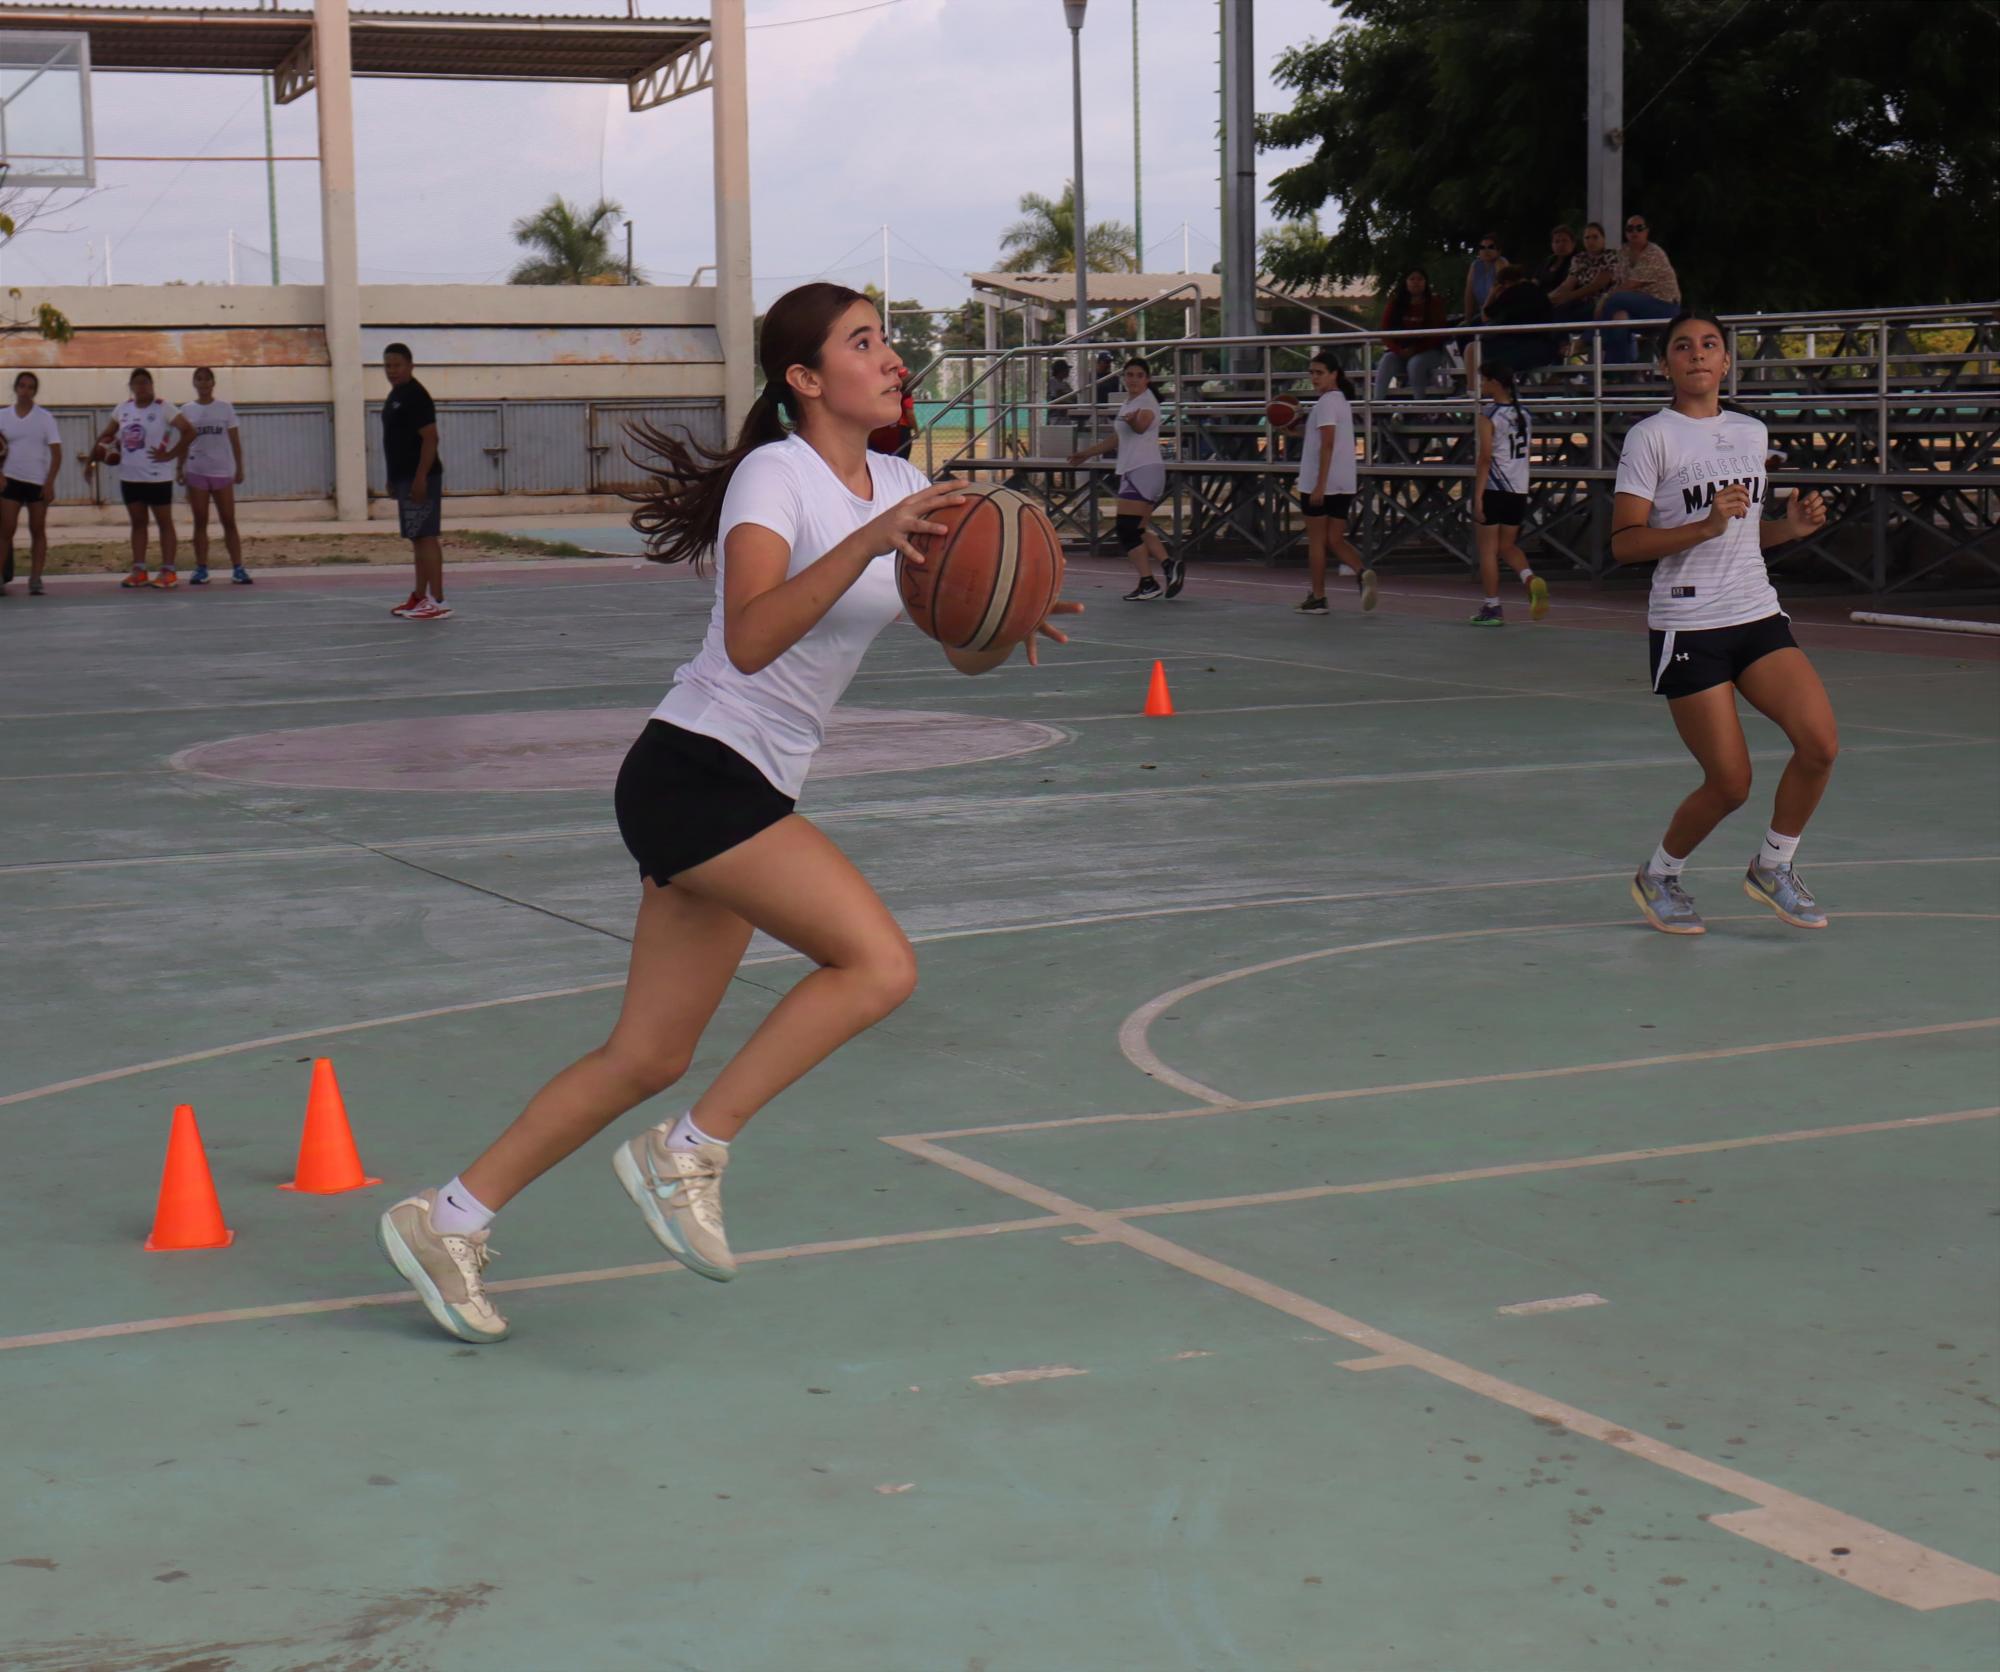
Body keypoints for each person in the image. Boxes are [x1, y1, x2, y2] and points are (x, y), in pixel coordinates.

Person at [374, 282, 1082, 1344]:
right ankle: (689, 1149)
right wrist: (869, 539)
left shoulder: (899, 482)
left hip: (747, 783)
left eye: (886, 341)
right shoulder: (777, 474)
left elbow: (957, 642)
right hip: (694, 768)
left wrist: (1005, 616)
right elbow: (750, 635)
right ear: (804, 380)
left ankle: (448, 1216)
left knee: (646, 1054)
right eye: (863, 342)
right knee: (877, 965)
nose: (891, 359)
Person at [1614, 309, 1835, 936]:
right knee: (1730, 781)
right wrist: (1704, 525)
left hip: (1755, 612)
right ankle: (1659, 874)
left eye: (1710, 344)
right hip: (1689, 625)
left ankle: (1773, 865)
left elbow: (1739, 538)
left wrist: (1788, 529)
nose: (1698, 355)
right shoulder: (1650, 437)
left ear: (1726, 361)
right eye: (1683, 347)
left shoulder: (1750, 432)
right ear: (1666, 365)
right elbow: (1625, 544)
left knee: (1820, 744)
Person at [1068, 356, 1184, 601]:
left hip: (1143, 470)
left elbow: (1142, 425)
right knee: (1137, 529)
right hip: (1137, 470)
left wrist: (1135, 422)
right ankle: (1168, 566)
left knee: (1126, 528)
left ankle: (1148, 583)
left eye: (1139, 375)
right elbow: (1116, 439)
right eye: (1129, 375)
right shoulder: (1129, 403)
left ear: (1147, 379)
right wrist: (1085, 454)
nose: (1133, 379)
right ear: (1123, 378)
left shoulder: (1146, 403)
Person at [87, 368, 190, 590]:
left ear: (152, 385)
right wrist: (93, 460)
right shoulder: (123, 409)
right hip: (130, 476)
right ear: (131, 387)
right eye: (137, 383)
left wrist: (170, 454)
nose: (142, 386)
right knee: (138, 524)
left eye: (146, 382)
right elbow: (106, 435)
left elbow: (189, 431)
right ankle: (139, 570)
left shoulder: (164, 407)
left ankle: (169, 571)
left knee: (164, 523)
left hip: (157, 477)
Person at [1290, 348, 1374, 615]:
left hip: (1321, 482)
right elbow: (1318, 437)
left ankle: (1318, 597)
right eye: (1312, 373)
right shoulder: (1340, 401)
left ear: (1334, 374)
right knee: (1335, 539)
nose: (1314, 378)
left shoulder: (1326, 403)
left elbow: (1327, 444)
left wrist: (1319, 485)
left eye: (1319, 373)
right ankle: (1362, 573)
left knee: (1316, 542)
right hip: (1344, 481)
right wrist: (1291, 428)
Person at [1467, 363, 1548, 626]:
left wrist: (1477, 496)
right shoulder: (1523, 413)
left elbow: (1485, 457)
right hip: (1518, 487)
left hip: (1495, 487)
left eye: (1484, 381)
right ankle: (1529, 578)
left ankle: (1493, 606)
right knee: (1507, 545)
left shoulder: (1489, 415)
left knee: (1487, 549)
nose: (1481, 386)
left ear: (1494, 382)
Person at [381, 343, 448, 620]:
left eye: (397, 365)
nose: (392, 370)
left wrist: (421, 477)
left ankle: (438, 599)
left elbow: (431, 438)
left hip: (422, 477)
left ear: (410, 365)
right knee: (416, 537)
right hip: (404, 477)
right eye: (387, 366)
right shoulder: (396, 395)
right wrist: (393, 478)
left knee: (427, 536)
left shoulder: (416, 396)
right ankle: (420, 596)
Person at [179, 366, 251, 586]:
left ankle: (238, 567)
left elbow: (235, 441)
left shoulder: (225, 408)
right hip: (196, 471)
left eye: (206, 379)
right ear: (194, 383)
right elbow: (183, 441)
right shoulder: (187, 410)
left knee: (228, 520)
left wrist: (239, 467)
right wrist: (179, 468)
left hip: (221, 471)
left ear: (213, 382)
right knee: (200, 521)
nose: (203, 383)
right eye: (198, 379)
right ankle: (201, 568)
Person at [0, 371, 62, 597]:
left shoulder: (45, 418)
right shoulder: (3, 416)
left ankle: (35, 579)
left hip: (37, 481)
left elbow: (56, 453)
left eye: (30, 387)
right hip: (10, 480)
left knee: (38, 530)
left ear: (35, 391)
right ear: (15, 388)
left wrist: (50, 482)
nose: (25, 390)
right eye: (22, 386)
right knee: (6, 531)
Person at [1597, 215, 1682, 363]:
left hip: (1664, 306)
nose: (1634, 232)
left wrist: (1604, 298)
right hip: (1637, 306)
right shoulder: (1623, 252)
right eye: (1629, 229)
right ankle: (1619, 373)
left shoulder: (1653, 253)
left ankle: (1588, 339)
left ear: (1647, 231)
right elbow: (1618, 282)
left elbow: (1630, 285)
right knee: (1620, 317)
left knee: (1614, 299)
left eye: (1639, 228)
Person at [1373, 268, 1448, 399]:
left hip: (1429, 352)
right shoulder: (1395, 303)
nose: (1416, 282)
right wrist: (1398, 350)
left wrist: (1416, 349)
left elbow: (1438, 334)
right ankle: (1376, 407)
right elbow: (1384, 332)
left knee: (1415, 363)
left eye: (1420, 279)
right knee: (1386, 360)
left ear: (1426, 283)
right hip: (1401, 351)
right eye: (1412, 279)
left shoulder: (1434, 303)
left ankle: (1419, 405)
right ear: (1406, 282)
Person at [1479, 263, 1558, 380]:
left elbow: (1485, 317)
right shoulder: (1538, 292)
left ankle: (1475, 389)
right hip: (1545, 347)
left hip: (1521, 347)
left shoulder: (1511, 293)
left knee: (1478, 349)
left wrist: (1492, 294)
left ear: (1505, 284)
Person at [1548, 220, 1618, 333]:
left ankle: (1573, 345)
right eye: (1587, 238)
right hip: (1580, 300)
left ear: (1603, 239)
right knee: (1556, 309)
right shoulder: (1579, 258)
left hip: (1601, 300)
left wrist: (1568, 297)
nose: (1591, 241)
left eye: (1595, 237)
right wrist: (1550, 298)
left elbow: (1597, 285)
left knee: (1576, 313)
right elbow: (1568, 283)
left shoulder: (1610, 256)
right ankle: (1561, 345)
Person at [1532, 226, 1577, 298]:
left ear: (1573, 243)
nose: (1560, 244)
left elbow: (1566, 287)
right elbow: (1535, 281)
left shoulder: (1577, 261)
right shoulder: (1548, 260)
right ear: (1552, 245)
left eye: (1564, 240)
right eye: (1556, 241)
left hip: (1561, 300)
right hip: (1539, 299)